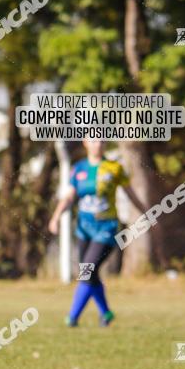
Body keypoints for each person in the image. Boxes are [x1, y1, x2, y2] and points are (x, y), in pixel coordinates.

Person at [48, 139, 146, 327]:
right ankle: (105, 313)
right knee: (90, 273)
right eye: (93, 141)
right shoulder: (78, 169)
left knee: (87, 271)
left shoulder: (114, 168)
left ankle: (73, 316)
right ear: (86, 143)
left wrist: (147, 213)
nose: (97, 145)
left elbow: (130, 193)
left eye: (101, 141)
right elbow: (69, 196)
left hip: (106, 229)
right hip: (84, 229)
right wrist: (56, 217)